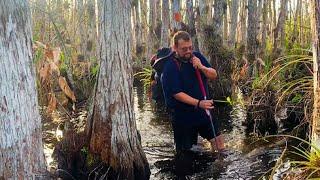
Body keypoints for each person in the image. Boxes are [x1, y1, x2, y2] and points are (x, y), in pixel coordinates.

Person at [161, 31, 225, 154]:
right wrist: (198, 103)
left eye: (190, 48)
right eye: (184, 49)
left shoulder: (197, 57)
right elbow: (176, 93)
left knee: (219, 144)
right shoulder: (170, 66)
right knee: (186, 153)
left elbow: (213, 75)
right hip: (183, 116)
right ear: (175, 48)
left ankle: (220, 170)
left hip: (203, 112)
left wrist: (202, 67)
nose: (188, 51)